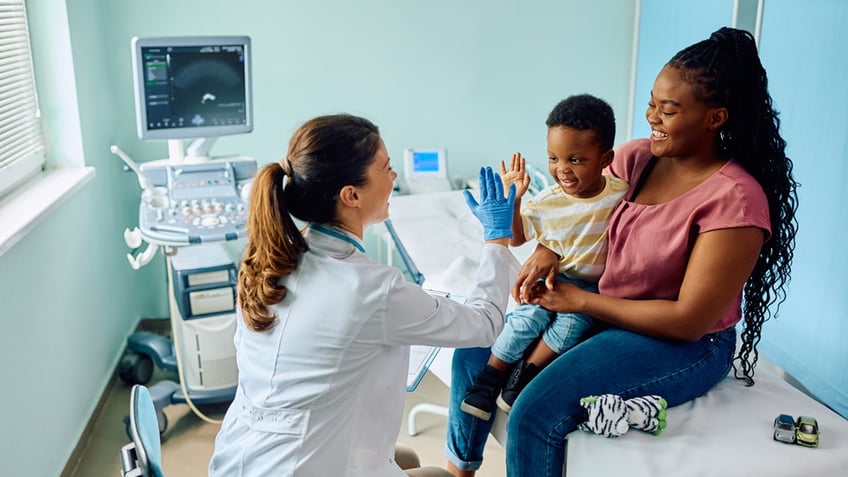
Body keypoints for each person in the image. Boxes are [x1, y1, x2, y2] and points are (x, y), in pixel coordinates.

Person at [445, 27, 798, 477]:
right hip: (601, 313)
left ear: (715, 118)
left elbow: (689, 321)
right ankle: (459, 470)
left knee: (536, 411)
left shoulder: (736, 201)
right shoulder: (637, 158)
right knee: (473, 350)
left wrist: (581, 301)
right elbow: (578, 205)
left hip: (681, 341)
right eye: (652, 102)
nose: (651, 116)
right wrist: (551, 248)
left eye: (667, 110)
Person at [208, 113, 520, 477]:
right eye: (386, 168)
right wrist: (496, 238)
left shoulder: (270, 260)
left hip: (242, 460)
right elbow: (484, 325)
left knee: (402, 458)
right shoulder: (371, 288)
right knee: (434, 474)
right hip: (302, 465)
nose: (394, 176)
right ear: (351, 195)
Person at [460, 94, 628, 421]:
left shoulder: (621, 194)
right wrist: (515, 202)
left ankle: (523, 375)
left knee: (571, 326)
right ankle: (490, 376)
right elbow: (518, 236)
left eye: (576, 160)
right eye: (553, 158)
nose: (562, 170)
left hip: (589, 289)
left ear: (605, 158)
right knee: (526, 319)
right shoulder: (548, 200)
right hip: (554, 277)